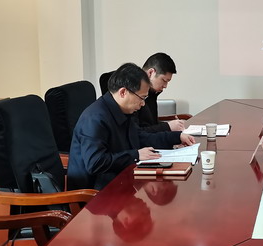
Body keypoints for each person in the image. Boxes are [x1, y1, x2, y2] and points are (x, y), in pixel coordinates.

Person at [68, 63, 196, 190]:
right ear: (123, 92)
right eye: (142, 98)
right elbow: (96, 163)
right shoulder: (95, 118)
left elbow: (140, 137)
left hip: (119, 180)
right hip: (94, 193)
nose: (143, 104)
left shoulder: (122, 110)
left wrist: (177, 137)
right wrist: (136, 155)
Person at [139, 52, 184, 132]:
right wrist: (168, 126)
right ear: (151, 73)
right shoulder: (133, 94)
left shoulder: (152, 93)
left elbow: (152, 125)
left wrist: (172, 127)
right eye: (164, 80)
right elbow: (137, 133)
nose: (165, 86)